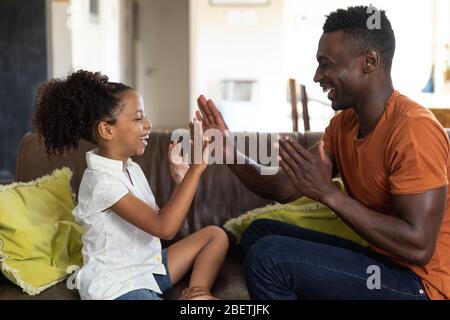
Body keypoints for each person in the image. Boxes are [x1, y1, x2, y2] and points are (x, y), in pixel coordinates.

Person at [196, 6, 450, 300]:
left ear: (369, 62)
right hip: (383, 263)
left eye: (326, 64)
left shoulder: (413, 131)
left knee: (270, 257)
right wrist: (229, 153)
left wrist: (327, 193)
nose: (318, 76)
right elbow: (282, 187)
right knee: (259, 232)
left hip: (421, 286)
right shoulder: (344, 125)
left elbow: (419, 247)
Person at [33, 70, 229, 300]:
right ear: (107, 129)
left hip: (146, 269)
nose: (148, 124)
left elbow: (159, 222)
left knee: (215, 236)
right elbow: (164, 227)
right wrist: (196, 170)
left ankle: (197, 293)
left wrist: (181, 180)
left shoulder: (131, 168)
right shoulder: (101, 182)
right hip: (118, 286)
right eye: (138, 118)